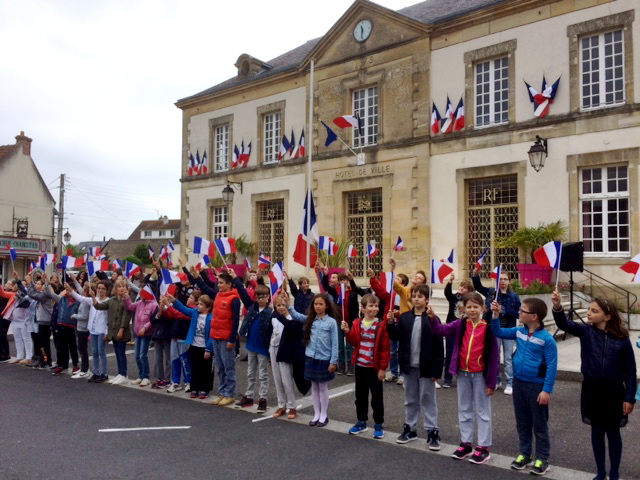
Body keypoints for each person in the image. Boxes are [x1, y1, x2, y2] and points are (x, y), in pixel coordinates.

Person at [551, 291, 636, 480]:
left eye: (594, 311)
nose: (588, 313)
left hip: (614, 393)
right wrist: (557, 307)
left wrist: (629, 397)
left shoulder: (622, 339)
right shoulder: (586, 331)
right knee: (596, 432)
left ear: (607, 316)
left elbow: (631, 370)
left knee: (613, 434)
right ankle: (600, 472)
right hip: (592, 391)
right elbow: (564, 324)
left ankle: (614, 472)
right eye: (588, 309)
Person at [428, 292, 499, 464]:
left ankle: (483, 447)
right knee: (464, 408)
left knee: (482, 411)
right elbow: (439, 330)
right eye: (469, 307)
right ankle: (466, 443)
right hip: (463, 373)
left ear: (483, 308)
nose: (472, 310)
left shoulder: (488, 328)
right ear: (463, 308)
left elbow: (494, 357)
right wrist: (432, 317)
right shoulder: (460, 324)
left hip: (480, 375)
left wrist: (492, 381)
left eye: (476, 307)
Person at [490, 297, 557, 476]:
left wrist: (546, 390)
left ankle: (542, 458)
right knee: (523, 422)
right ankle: (525, 454)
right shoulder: (519, 331)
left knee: (539, 424)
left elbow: (551, 365)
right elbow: (497, 331)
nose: (518, 313)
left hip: (536, 386)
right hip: (519, 383)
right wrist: (495, 315)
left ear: (534, 316)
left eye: (522, 311)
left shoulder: (547, 339)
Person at [387, 284, 444, 450]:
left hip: (426, 367)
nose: (416, 299)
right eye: (414, 296)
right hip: (409, 366)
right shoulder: (404, 317)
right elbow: (396, 335)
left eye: (420, 296)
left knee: (428, 399)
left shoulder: (433, 319)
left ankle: (433, 431)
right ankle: (410, 428)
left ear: (427, 300)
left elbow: (438, 345)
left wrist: (437, 369)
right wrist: (391, 323)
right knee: (410, 399)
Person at [343, 293, 390, 439]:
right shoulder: (357, 323)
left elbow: (385, 349)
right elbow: (354, 342)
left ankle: (378, 424)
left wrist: (382, 368)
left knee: (377, 398)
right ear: (363, 309)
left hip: (374, 368)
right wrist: (346, 332)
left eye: (376, 306)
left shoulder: (381, 325)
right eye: (370, 306)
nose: (374, 308)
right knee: (360, 396)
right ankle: (361, 421)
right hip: (360, 366)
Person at [473, 267, 520, 395]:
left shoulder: (514, 296)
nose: (503, 282)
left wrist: (503, 310)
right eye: (501, 279)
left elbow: (519, 314)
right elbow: (478, 286)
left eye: (505, 279)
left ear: (509, 282)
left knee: (508, 358)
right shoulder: (491, 292)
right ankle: (497, 380)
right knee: (495, 356)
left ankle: (510, 382)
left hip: (508, 329)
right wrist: (476, 274)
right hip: (495, 329)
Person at [235, 279, 273, 414]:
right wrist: (236, 278)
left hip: (263, 347)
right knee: (250, 372)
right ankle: (249, 396)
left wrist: (270, 351)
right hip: (251, 345)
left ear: (268, 297)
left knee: (263, 374)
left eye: (263, 296)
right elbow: (243, 293)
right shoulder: (252, 307)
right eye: (258, 297)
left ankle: (263, 398)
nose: (260, 299)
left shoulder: (270, 312)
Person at [167, 292, 214, 400]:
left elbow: (212, 334)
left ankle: (205, 389)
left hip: (205, 347)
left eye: (201, 305)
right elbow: (183, 309)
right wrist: (174, 301)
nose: (198, 306)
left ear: (208, 307)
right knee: (195, 367)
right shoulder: (194, 313)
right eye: (199, 304)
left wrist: (208, 348)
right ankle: (195, 388)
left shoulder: (211, 318)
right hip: (194, 345)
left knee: (205, 369)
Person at [269, 293, 309, 419]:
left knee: (287, 380)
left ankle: (292, 406)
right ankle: (281, 405)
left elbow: (293, 328)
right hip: (273, 348)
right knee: (277, 379)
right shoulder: (273, 317)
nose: (280, 307)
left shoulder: (292, 318)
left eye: (283, 305)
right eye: (278, 305)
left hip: (286, 351)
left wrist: (284, 315)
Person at [303, 293, 338, 427]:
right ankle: (316, 414)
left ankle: (324, 415)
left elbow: (335, 343)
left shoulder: (331, 322)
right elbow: (297, 317)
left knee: (323, 387)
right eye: (315, 304)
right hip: (311, 357)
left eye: (320, 304)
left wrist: (333, 361)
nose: (317, 306)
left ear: (326, 306)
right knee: (314, 387)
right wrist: (288, 306)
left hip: (324, 359)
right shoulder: (311, 320)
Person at [209, 272, 241, 407]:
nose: (218, 285)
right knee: (220, 367)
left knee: (229, 367)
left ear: (229, 284)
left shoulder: (234, 299)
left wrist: (231, 339)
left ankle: (229, 394)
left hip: (226, 337)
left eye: (221, 283)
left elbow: (235, 322)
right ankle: (222, 392)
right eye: (218, 282)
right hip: (215, 335)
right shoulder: (217, 295)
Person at [92, 279, 132, 385]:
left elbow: (126, 316)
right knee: (117, 353)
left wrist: (122, 329)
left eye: (123, 286)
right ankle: (120, 373)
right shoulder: (112, 300)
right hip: (113, 331)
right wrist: (93, 297)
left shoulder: (127, 300)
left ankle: (124, 374)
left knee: (121, 352)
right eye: (119, 286)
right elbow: (99, 306)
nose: (121, 288)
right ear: (115, 288)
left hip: (121, 331)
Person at [69, 280, 110, 383]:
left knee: (101, 352)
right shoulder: (93, 299)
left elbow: (108, 318)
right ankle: (96, 372)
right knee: (95, 352)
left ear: (107, 290)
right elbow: (81, 298)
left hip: (101, 330)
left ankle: (104, 373)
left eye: (103, 288)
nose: (100, 290)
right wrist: (71, 291)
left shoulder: (108, 301)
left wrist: (107, 332)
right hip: (93, 330)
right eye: (99, 288)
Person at [442, 273, 475, 388]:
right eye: (460, 286)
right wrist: (450, 282)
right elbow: (447, 293)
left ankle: (463, 377)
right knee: (450, 353)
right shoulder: (454, 297)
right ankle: (447, 378)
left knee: (464, 353)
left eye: (464, 287)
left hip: (464, 329)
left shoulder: (471, 301)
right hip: (452, 327)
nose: (461, 288)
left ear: (469, 290)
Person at [123, 287, 158, 387]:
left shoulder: (154, 305)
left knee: (143, 355)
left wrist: (145, 328)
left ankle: (146, 376)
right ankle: (141, 375)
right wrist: (126, 298)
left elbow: (152, 320)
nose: (141, 295)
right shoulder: (139, 303)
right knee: (137, 355)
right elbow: (130, 307)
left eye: (143, 293)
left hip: (146, 333)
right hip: (138, 332)